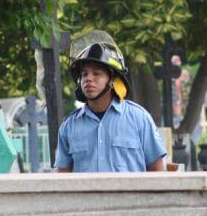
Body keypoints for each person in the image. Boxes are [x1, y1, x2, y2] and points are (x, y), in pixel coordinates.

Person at [55, 39, 166, 172]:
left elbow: (157, 172)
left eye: (97, 73)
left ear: (113, 80)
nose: (88, 79)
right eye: (84, 74)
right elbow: (63, 177)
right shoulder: (69, 126)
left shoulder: (139, 118)